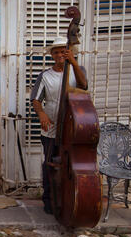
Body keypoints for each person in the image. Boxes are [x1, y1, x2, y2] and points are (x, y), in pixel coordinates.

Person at [30, 36, 88, 215]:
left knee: (72, 165)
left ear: (70, 52)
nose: (59, 54)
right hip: (52, 126)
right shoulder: (45, 76)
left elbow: (83, 86)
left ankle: (71, 198)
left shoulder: (78, 70)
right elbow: (36, 99)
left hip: (74, 127)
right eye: (56, 52)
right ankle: (48, 199)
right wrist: (41, 114)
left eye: (63, 51)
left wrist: (74, 64)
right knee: (49, 163)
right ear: (52, 55)